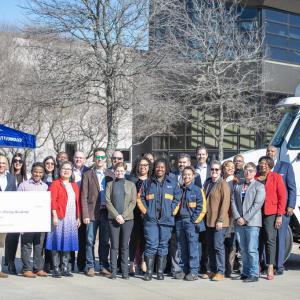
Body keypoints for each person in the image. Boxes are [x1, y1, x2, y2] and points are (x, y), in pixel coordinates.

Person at [137, 158, 181, 281]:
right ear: (154, 168)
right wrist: (146, 212)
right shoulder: (147, 183)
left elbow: (178, 199)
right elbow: (140, 199)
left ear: (166, 168)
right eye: (157, 166)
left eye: (162, 167)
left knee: (163, 245)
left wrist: (171, 211)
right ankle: (149, 272)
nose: (160, 169)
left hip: (166, 220)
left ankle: (160, 272)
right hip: (150, 221)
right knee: (151, 245)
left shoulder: (173, 183)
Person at [45, 161, 81, 278]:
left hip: (71, 218)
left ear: (71, 172)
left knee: (68, 242)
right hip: (59, 217)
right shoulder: (55, 184)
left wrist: (78, 217)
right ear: (60, 171)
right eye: (64, 169)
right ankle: (55, 267)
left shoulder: (74, 185)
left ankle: (64, 267)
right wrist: (54, 215)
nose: (66, 171)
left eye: (68, 169)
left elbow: (77, 203)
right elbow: (52, 200)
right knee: (56, 241)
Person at [80, 148, 112, 277]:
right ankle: (91, 266)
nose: (99, 159)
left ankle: (104, 266)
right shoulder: (88, 174)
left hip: (106, 212)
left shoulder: (111, 175)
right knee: (90, 241)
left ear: (105, 159)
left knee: (105, 241)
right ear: (94, 159)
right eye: (97, 157)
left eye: (102, 157)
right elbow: (83, 196)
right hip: (92, 212)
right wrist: (85, 215)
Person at [231, 162, 265, 282]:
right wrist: (238, 217)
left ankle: (254, 273)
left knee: (251, 249)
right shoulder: (238, 186)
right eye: (246, 170)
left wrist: (245, 218)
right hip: (239, 222)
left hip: (252, 223)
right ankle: (245, 272)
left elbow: (257, 205)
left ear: (255, 173)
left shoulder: (259, 186)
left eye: (250, 171)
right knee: (243, 249)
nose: (247, 172)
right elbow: (233, 202)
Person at [266, 145, 296, 275]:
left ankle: (279, 266)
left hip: (282, 209)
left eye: (272, 151)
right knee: (268, 238)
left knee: (280, 238)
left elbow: (292, 187)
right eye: (268, 151)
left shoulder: (286, 166)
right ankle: (267, 264)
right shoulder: (262, 166)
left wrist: (291, 205)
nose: (270, 153)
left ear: (277, 153)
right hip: (267, 209)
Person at [257, 156, 286, 280]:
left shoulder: (276, 177)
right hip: (256, 213)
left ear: (269, 164)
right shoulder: (255, 177)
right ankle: (256, 265)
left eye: (264, 163)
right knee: (257, 240)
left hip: (271, 213)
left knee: (270, 240)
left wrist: (279, 215)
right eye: (260, 163)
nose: (262, 165)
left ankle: (270, 266)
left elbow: (282, 196)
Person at [174, 166, 206, 281]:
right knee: (181, 247)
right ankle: (184, 270)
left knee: (193, 247)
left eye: (189, 174)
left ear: (193, 176)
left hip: (191, 222)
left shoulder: (197, 190)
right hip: (179, 221)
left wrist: (193, 221)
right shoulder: (179, 189)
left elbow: (202, 207)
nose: (186, 176)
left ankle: (193, 272)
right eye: (184, 175)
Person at [106, 162, 137, 279]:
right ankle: (113, 271)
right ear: (114, 171)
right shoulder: (110, 184)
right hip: (113, 219)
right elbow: (108, 202)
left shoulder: (131, 185)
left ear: (125, 171)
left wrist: (123, 216)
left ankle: (125, 272)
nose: (119, 172)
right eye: (117, 170)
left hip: (127, 219)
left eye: (122, 171)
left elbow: (133, 202)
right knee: (114, 245)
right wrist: (116, 216)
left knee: (124, 245)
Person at [18, 162, 49, 278]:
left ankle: (38, 268)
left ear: (43, 174)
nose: (37, 174)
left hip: (40, 221)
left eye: (40, 172)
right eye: (35, 171)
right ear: (31, 172)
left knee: (38, 245)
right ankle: (26, 269)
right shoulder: (23, 185)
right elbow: (17, 202)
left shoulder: (45, 187)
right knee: (26, 245)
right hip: (27, 221)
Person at [204, 160, 231, 281]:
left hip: (219, 221)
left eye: (216, 169)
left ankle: (221, 271)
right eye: (212, 169)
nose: (214, 171)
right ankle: (213, 270)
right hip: (208, 221)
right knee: (210, 246)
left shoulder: (223, 184)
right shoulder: (208, 182)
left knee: (218, 246)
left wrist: (220, 219)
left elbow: (225, 204)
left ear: (220, 171)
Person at [128, 157, 152, 276]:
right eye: (141, 165)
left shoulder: (152, 181)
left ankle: (143, 261)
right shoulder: (132, 180)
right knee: (133, 239)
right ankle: (132, 263)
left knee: (145, 239)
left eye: (146, 165)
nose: (143, 167)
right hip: (134, 214)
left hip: (148, 214)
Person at [5, 152, 27, 275]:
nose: (17, 163)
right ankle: (10, 262)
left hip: (24, 211)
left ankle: (26, 265)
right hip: (10, 211)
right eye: (15, 161)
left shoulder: (26, 177)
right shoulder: (7, 176)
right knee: (11, 238)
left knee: (24, 239)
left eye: (20, 161)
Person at [71, 151, 89, 272]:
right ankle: (69, 263)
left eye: (81, 158)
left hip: (83, 208)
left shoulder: (88, 171)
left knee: (83, 238)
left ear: (85, 159)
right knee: (70, 236)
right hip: (70, 207)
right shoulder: (67, 169)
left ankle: (81, 264)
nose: (78, 159)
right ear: (73, 158)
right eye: (76, 157)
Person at [0, 154, 17, 278]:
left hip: (4, 216)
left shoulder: (11, 179)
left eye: (3, 163)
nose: (1, 165)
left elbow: (14, 197)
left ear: (7, 164)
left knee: (1, 243)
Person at [222, 160, 239, 278]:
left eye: (232, 167)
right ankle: (222, 267)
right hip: (223, 216)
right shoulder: (221, 180)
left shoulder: (235, 181)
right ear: (224, 168)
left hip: (232, 216)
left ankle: (229, 268)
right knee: (222, 242)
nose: (231, 169)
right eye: (228, 167)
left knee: (231, 243)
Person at [42, 155, 58, 273]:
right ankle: (44, 263)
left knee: (52, 238)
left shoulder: (57, 178)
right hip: (42, 211)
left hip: (54, 212)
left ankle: (52, 263)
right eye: (47, 163)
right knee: (43, 239)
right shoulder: (40, 177)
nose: (50, 165)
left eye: (52, 164)